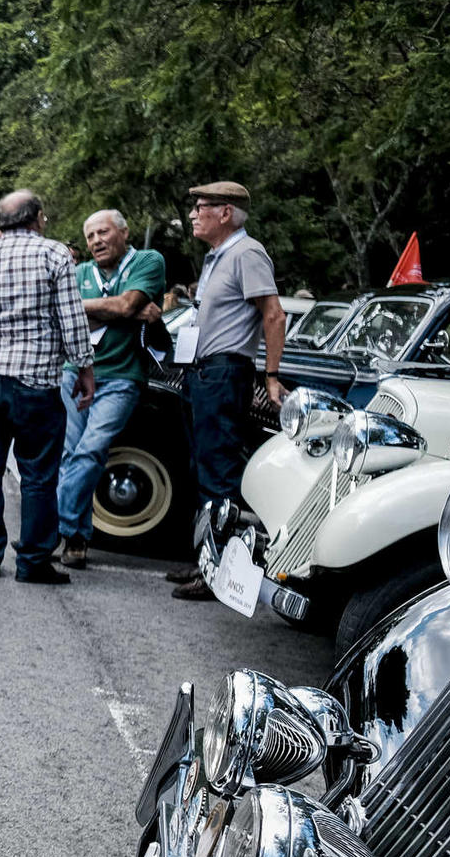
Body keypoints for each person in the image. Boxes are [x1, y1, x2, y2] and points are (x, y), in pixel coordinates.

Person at [0, 190, 95, 584]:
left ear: (0, 223)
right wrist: (84, 366)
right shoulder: (55, 256)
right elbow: (71, 317)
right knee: (38, 474)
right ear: (38, 219)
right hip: (37, 382)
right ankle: (32, 561)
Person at [168, 181, 287, 601]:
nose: (194, 214)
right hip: (203, 372)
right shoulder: (217, 257)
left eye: (202, 207)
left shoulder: (247, 252)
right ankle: (206, 557)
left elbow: (273, 315)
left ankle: (219, 570)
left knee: (218, 474)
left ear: (225, 213)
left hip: (224, 373)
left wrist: (271, 375)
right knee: (202, 469)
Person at [55, 210, 166, 569]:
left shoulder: (148, 261)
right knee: (69, 455)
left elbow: (126, 304)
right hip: (74, 372)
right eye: (89, 237)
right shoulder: (79, 273)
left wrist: (114, 309)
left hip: (122, 376)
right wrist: (121, 311)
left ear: (123, 232)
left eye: (103, 232)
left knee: (90, 451)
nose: (96, 241)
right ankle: (75, 538)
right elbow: (63, 314)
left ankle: (47, 528)